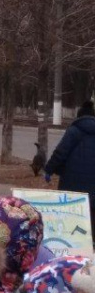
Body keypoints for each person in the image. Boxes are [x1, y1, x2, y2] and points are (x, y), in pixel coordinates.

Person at [44, 100, 95, 241]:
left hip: (72, 183)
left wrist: (49, 170)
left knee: (74, 215)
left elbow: (60, 153)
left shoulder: (74, 130)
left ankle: (74, 243)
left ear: (79, 117)